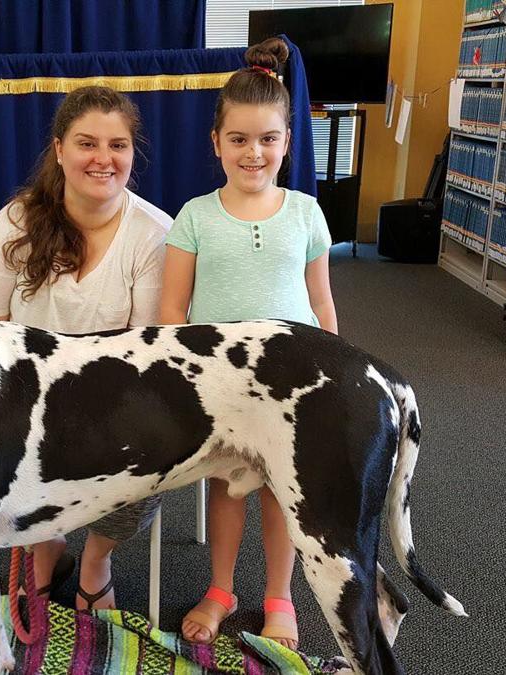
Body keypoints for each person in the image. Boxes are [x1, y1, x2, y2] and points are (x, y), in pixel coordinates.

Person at [0, 85, 171, 611]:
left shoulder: (155, 235)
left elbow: (148, 353)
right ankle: (44, 544)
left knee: (154, 445)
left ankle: (96, 559)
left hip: (116, 395)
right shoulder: (16, 223)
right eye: (87, 143)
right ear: (59, 150)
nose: (104, 159)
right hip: (24, 394)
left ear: (132, 153)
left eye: (118, 146)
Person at [159, 38, 338, 649]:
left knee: (283, 493)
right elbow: (172, 310)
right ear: (216, 143)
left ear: (287, 141)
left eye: (267, 138)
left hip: (290, 384)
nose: (253, 152)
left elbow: (320, 303)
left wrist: (330, 373)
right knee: (226, 486)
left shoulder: (308, 213)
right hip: (217, 384)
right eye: (238, 139)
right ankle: (221, 589)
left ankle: (279, 597)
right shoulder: (194, 217)